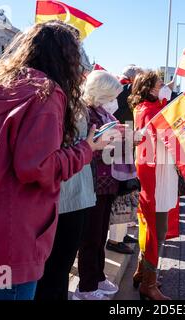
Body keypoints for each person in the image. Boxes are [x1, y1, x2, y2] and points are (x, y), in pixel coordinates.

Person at [0, 21, 111, 301]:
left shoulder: (3, 86)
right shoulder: (45, 93)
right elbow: (37, 167)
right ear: (65, 58)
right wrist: (86, 148)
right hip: (15, 229)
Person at [34, 82, 100, 299]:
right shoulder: (49, 96)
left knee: (60, 268)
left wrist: (92, 144)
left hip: (77, 191)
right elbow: (45, 159)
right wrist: (88, 146)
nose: (83, 74)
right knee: (54, 270)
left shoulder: (68, 95)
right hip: (63, 195)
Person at [72, 71, 124, 301]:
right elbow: (84, 146)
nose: (115, 101)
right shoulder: (84, 112)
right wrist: (108, 141)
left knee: (100, 235)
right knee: (90, 237)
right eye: (111, 95)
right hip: (92, 182)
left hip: (106, 181)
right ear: (101, 93)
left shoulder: (101, 111)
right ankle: (86, 287)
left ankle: (98, 276)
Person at [129, 71, 179, 300]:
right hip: (156, 175)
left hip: (156, 172)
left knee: (150, 227)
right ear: (150, 88)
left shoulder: (145, 109)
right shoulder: (151, 112)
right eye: (160, 84)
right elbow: (169, 138)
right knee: (156, 231)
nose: (163, 87)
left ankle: (143, 272)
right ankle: (149, 283)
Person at [105, 65, 144, 255]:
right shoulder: (122, 88)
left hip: (124, 143)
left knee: (126, 191)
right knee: (121, 192)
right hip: (116, 147)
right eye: (140, 78)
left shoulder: (124, 89)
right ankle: (114, 238)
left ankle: (121, 233)